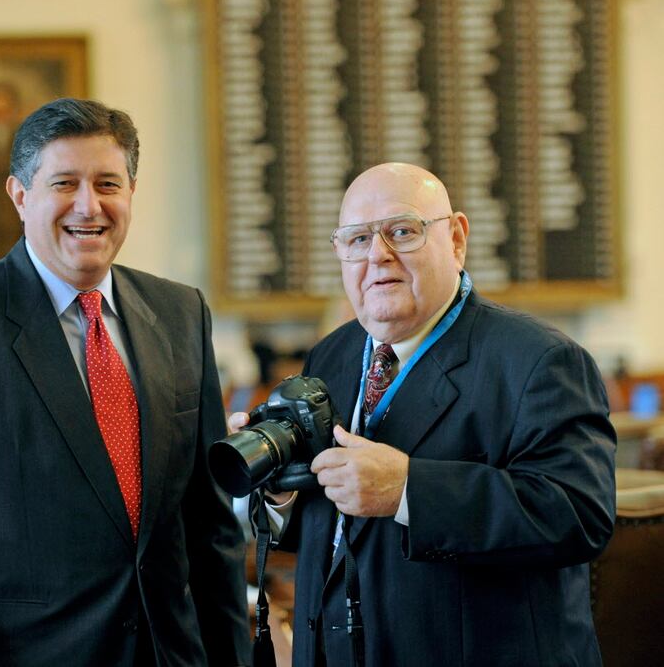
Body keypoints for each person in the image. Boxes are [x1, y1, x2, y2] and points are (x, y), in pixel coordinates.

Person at [0, 98, 250, 666]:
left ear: (132, 194)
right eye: (64, 183)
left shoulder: (180, 313)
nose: (88, 205)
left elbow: (210, 526)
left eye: (108, 183)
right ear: (21, 196)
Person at [233, 163, 616, 666]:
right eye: (357, 240)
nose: (378, 256)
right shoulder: (332, 356)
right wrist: (281, 495)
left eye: (402, 232)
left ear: (456, 238)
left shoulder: (538, 360)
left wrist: (409, 490)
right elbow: (341, 528)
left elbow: (578, 514)